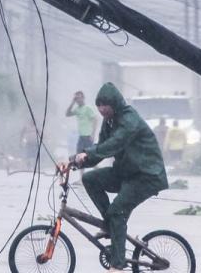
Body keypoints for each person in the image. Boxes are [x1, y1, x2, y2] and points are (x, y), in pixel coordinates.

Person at [70, 83, 168, 272]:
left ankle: (118, 265)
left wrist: (87, 154)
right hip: (125, 172)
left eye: (105, 105)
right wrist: (74, 161)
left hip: (146, 175)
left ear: (114, 103)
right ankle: (109, 225)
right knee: (90, 179)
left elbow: (115, 143)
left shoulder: (129, 119)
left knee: (117, 212)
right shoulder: (109, 122)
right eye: (98, 105)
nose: (101, 109)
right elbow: (101, 148)